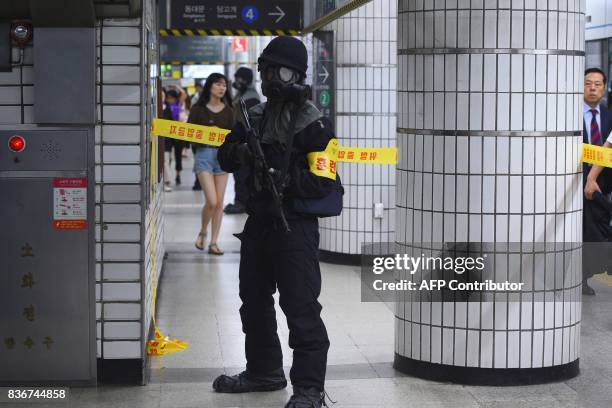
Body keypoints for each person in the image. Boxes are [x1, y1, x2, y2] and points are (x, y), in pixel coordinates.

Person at [215, 36, 336, 408]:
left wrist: (283, 179)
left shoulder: (314, 123)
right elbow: (225, 158)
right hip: (259, 225)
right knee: (252, 300)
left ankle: (309, 389)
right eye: (266, 70)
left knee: (300, 308)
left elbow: (324, 179)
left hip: (295, 226)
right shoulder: (253, 116)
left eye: (277, 71)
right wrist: (243, 154)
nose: (269, 78)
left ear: (294, 74)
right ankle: (264, 371)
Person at [188, 73, 234, 255]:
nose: (222, 88)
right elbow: (189, 133)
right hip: (204, 154)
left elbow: (235, 136)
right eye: (218, 84)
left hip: (223, 156)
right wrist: (208, 133)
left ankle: (213, 242)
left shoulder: (230, 110)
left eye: (224, 85)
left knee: (220, 202)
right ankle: (203, 231)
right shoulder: (197, 109)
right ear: (209, 86)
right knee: (212, 201)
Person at [582, 67, 612, 295]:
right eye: (588, 83)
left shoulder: (609, 115)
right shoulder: (567, 115)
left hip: (602, 185)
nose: (593, 88)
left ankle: (586, 273)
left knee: (597, 230)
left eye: (597, 84)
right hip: (575, 182)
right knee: (580, 231)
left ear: (604, 87)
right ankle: (580, 277)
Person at [224, 67, 261, 215]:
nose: (237, 81)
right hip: (239, 141)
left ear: (245, 80)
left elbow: (246, 123)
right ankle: (241, 201)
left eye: (239, 78)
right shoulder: (243, 94)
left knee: (242, 174)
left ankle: (242, 203)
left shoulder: (251, 98)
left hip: (246, 143)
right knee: (239, 173)